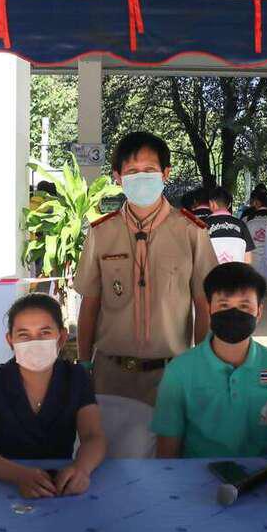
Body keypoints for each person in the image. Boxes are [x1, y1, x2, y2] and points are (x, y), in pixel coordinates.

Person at [75, 131, 218, 405]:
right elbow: (90, 302)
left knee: (170, 435)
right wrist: (84, 363)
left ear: (165, 174)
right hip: (110, 374)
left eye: (150, 170)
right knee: (110, 434)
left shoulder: (191, 231)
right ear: (118, 177)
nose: (141, 178)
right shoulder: (101, 232)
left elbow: (204, 305)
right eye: (132, 171)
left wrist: (203, 364)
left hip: (173, 373)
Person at [0, 294, 106, 498]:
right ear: (10, 341)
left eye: (45, 333)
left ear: (62, 337)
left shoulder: (75, 377)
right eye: (24, 335)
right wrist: (19, 475)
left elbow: (93, 437)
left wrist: (82, 469)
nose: (35, 342)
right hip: (1, 487)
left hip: (60, 487)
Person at [151, 263, 267, 458]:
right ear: (209, 309)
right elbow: (166, 453)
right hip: (196, 474)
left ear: (259, 312)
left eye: (244, 306)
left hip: (262, 473)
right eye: (224, 305)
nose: (234, 314)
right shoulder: (179, 371)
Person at [203, 186, 256, 264]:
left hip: (212, 271)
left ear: (211, 203)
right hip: (236, 270)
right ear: (229, 205)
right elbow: (248, 259)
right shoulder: (241, 225)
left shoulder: (203, 225)